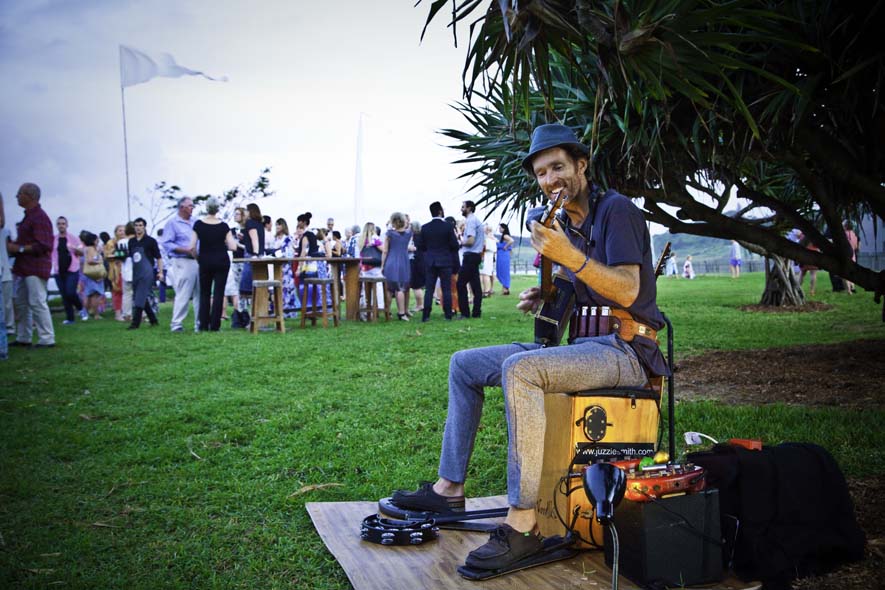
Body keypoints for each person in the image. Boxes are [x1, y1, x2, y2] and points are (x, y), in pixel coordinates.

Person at [391, 124, 668, 571]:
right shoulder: (567, 225)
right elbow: (574, 285)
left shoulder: (616, 212)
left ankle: (523, 526)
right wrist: (546, 295)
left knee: (522, 369)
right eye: (541, 173)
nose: (550, 179)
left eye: (558, 166)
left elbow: (628, 288)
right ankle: (449, 490)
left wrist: (569, 254)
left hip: (626, 349)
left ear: (581, 165)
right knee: (464, 364)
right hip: (582, 345)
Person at [7, 183, 55, 348]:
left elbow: (44, 245)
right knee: (21, 303)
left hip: (35, 267)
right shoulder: (29, 217)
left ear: (30, 196)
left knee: (37, 301)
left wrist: (18, 248)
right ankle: (24, 336)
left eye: (19, 193)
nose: (17, 196)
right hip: (24, 268)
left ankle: (47, 338)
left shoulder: (39, 217)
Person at [190, 198, 239, 331]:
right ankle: (215, 325)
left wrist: (198, 258)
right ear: (218, 209)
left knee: (204, 293)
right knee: (219, 292)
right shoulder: (223, 226)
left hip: (205, 260)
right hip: (221, 261)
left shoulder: (198, 225)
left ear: (206, 208)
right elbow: (233, 246)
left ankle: (203, 324)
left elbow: (192, 247)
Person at [161, 197, 200, 333]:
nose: (192, 208)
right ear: (181, 207)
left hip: (198, 260)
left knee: (199, 293)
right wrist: (185, 249)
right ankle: (176, 323)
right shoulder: (172, 223)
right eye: (190, 206)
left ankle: (199, 323)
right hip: (183, 260)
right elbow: (167, 243)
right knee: (183, 292)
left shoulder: (196, 221)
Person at [417, 202, 459, 322]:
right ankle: (448, 314)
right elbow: (454, 245)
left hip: (430, 260)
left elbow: (421, 246)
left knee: (429, 289)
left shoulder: (425, 228)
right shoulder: (448, 227)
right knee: (446, 289)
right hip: (445, 260)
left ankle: (426, 315)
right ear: (440, 211)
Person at [126, 218, 163, 329]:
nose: (138, 227)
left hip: (147, 272)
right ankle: (153, 320)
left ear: (144, 227)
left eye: (140, 225)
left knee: (140, 296)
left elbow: (159, 258)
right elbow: (131, 258)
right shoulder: (131, 242)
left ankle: (135, 324)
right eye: (136, 225)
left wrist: (160, 272)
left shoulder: (151, 241)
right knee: (141, 296)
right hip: (136, 272)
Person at [52, 216, 85, 324]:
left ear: (67, 225)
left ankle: (81, 308)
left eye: (63, 223)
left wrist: (73, 248)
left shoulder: (73, 238)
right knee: (64, 295)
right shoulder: (54, 239)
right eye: (59, 224)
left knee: (70, 292)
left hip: (72, 270)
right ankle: (70, 319)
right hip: (58, 271)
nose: (61, 225)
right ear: (57, 226)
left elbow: (81, 252)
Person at [456, 201, 484, 319]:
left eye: (463, 207)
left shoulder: (471, 221)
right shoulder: (474, 220)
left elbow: (471, 240)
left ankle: (465, 313)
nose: (461, 209)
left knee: (460, 284)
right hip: (475, 255)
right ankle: (476, 312)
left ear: (469, 208)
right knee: (475, 285)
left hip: (470, 256)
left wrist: (461, 242)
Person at [381, 212, 412, 320]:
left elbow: (385, 251)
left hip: (391, 261)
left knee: (389, 288)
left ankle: (387, 311)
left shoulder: (389, 234)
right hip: (404, 261)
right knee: (401, 288)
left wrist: (382, 265)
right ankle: (401, 313)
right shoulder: (409, 234)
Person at [238, 202, 265, 308]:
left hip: (251, 255)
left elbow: (255, 240)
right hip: (260, 254)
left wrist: (254, 254)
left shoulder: (250, 223)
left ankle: (245, 310)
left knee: (246, 285)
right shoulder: (259, 224)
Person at [273, 218, 299, 317]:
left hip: (286, 268)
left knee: (287, 288)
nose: (277, 227)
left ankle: (288, 311)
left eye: (279, 225)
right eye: (276, 225)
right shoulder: (274, 239)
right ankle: (277, 310)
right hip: (275, 267)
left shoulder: (288, 239)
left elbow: (291, 253)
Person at [80, 232, 106, 319]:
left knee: (88, 294)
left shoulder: (86, 249)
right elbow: (90, 260)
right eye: (96, 239)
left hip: (88, 275)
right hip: (94, 274)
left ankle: (85, 313)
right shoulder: (91, 249)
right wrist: (100, 261)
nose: (98, 240)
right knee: (95, 295)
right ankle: (96, 314)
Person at [104, 225, 127, 321]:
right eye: (119, 230)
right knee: (117, 291)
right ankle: (118, 314)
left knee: (127, 292)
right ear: (115, 232)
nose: (122, 232)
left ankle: (126, 312)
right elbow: (107, 255)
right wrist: (118, 253)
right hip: (116, 270)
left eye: (123, 230)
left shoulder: (128, 241)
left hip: (127, 269)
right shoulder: (111, 243)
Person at [408, 220, 426, 314]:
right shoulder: (423, 237)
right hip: (422, 261)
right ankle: (420, 304)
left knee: (416, 285)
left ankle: (420, 305)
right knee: (417, 285)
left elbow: (413, 248)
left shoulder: (414, 237)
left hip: (416, 262)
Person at [495, 223, 514, 295]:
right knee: (503, 271)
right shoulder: (504, 236)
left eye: (500, 228)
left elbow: (511, 240)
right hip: (502, 255)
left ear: (504, 228)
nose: (499, 229)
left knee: (503, 271)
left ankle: (506, 288)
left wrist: (505, 247)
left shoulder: (505, 236)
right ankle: (504, 288)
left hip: (503, 255)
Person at [480, 224, 497, 297]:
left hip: (486, 256)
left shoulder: (486, 238)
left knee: (485, 274)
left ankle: (486, 291)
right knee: (487, 273)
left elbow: (485, 247)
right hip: (490, 256)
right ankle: (486, 289)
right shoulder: (494, 238)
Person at [843, 221, 859, 294]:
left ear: (845, 226)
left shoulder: (843, 234)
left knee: (845, 273)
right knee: (851, 273)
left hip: (846, 255)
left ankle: (849, 291)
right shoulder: (854, 234)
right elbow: (856, 247)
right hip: (853, 255)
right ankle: (853, 287)